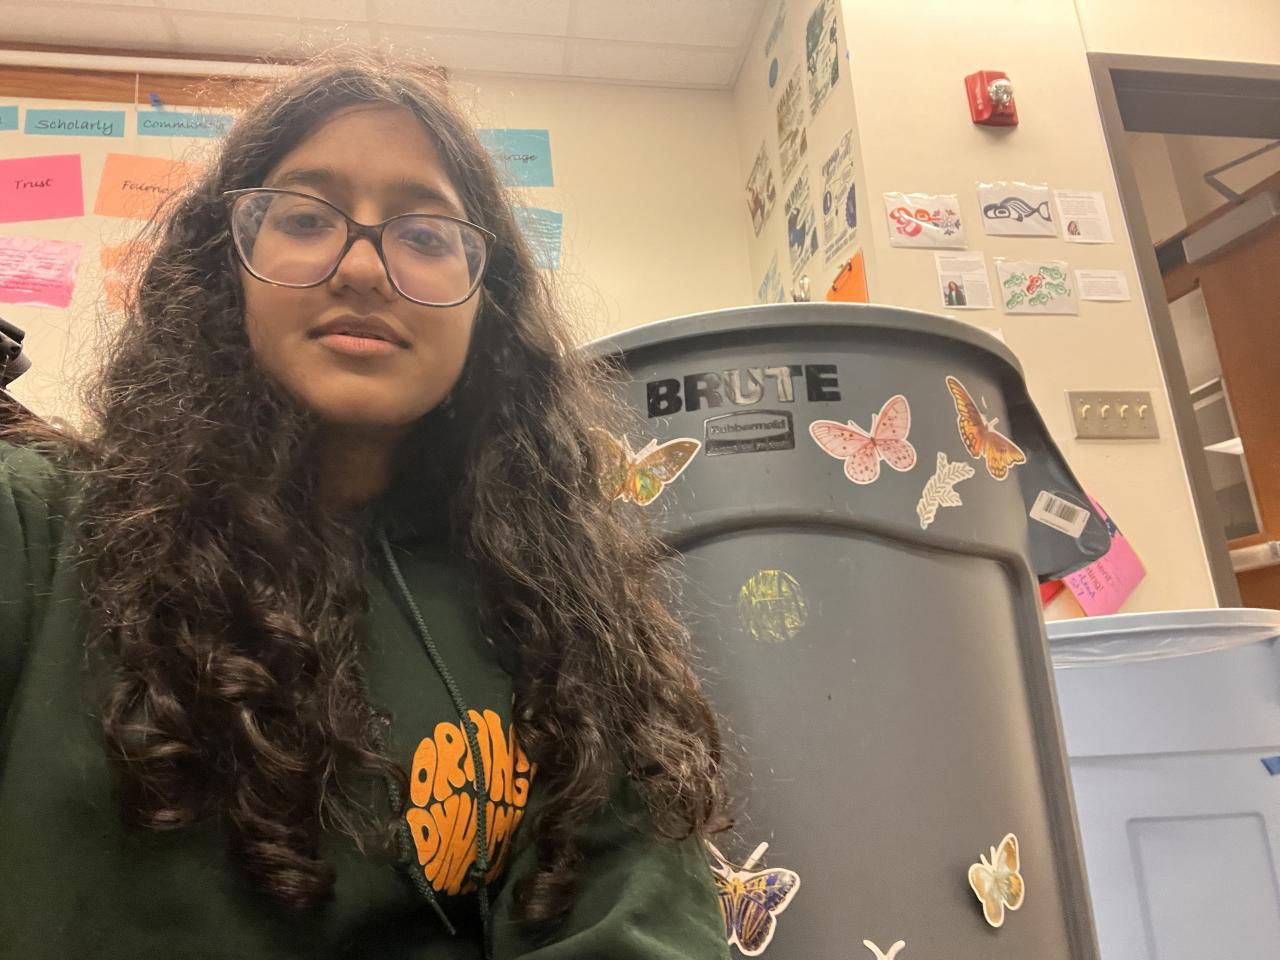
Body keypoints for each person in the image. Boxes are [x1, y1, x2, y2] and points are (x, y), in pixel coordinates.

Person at [0, 55, 730, 959]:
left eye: (425, 234)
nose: (362, 267)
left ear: (487, 307)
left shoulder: (559, 617)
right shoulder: (38, 528)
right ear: (227, 266)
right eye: (306, 218)